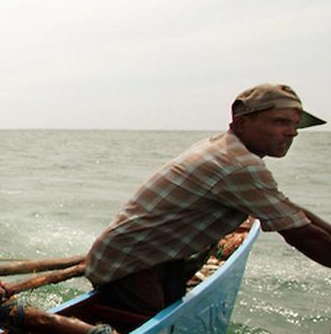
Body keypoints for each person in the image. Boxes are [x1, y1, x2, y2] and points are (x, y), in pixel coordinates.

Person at [86, 83, 331, 314]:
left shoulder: (224, 147)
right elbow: (301, 234)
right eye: (280, 122)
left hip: (156, 259)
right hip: (132, 265)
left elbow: (290, 211)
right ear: (243, 122)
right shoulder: (238, 165)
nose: (292, 133)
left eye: (295, 124)